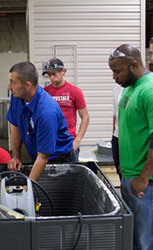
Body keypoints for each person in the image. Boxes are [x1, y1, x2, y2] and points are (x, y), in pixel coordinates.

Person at [109, 44, 153, 250]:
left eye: (117, 71)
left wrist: (143, 178)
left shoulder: (149, 89)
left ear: (134, 66)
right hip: (129, 177)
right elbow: (121, 129)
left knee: (145, 241)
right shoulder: (128, 90)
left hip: (145, 184)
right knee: (133, 239)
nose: (114, 77)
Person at [6, 62, 74, 181]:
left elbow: (43, 157)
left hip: (57, 161)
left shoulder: (46, 112)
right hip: (37, 156)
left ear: (27, 85)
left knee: (49, 196)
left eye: (13, 82)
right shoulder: (17, 97)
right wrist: (16, 156)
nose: (9, 87)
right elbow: (15, 123)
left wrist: (28, 188)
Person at [42, 58, 89, 162]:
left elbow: (85, 117)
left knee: (70, 177)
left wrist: (77, 141)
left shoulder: (75, 91)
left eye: (54, 74)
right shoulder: (44, 93)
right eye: (49, 75)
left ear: (63, 71)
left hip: (69, 143)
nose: (52, 78)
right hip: (50, 143)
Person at [111, 84, 123, 180]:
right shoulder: (116, 89)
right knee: (120, 172)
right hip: (117, 136)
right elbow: (115, 114)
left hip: (130, 139)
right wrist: (113, 135)